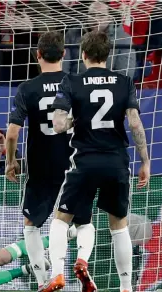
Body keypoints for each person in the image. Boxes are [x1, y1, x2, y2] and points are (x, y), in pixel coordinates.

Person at [42, 31, 150, 292]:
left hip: (85, 161)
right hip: (116, 161)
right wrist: (145, 161)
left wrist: (71, 121)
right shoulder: (124, 81)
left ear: (83, 55)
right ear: (108, 55)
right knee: (119, 226)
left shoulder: (72, 81)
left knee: (61, 219)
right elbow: (134, 122)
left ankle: (57, 273)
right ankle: (126, 288)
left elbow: (57, 125)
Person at [5, 31, 90, 290]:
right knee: (79, 222)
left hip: (41, 165)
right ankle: (78, 258)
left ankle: (44, 281)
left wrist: (11, 161)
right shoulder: (76, 83)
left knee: (31, 224)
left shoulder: (28, 88)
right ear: (64, 54)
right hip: (73, 163)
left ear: (37, 55)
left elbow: (11, 133)